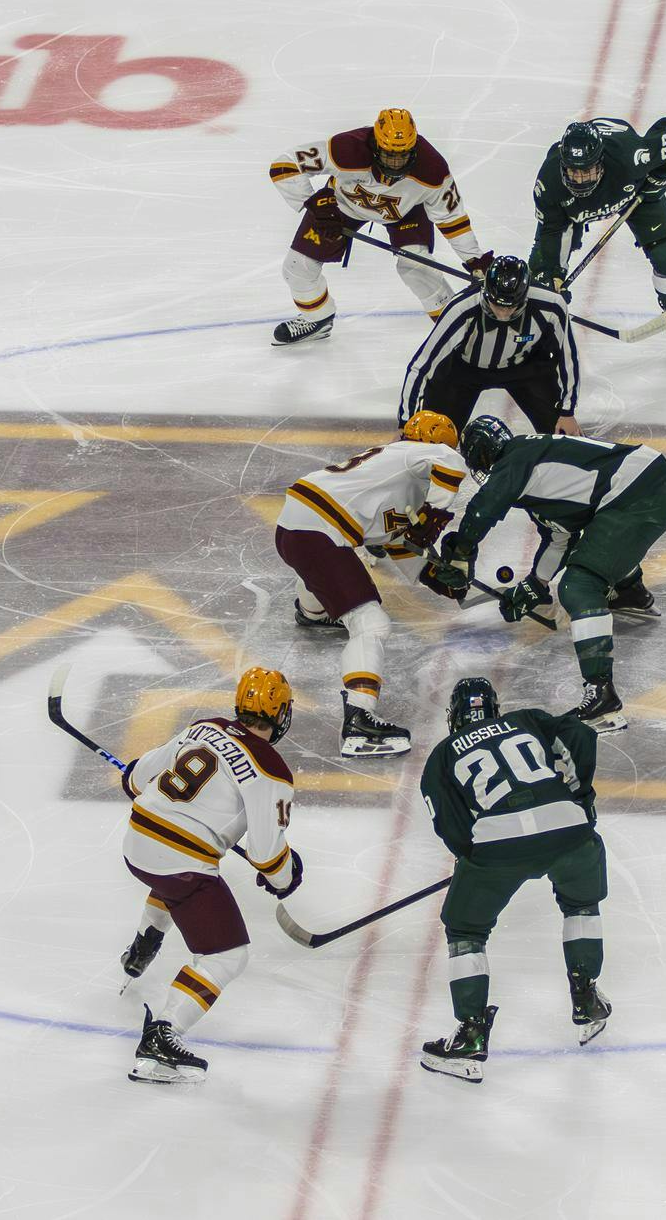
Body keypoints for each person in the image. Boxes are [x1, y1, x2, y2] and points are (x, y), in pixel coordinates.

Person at [424, 415, 666, 732]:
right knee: (599, 546)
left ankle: (603, 696)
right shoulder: (540, 463)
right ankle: (629, 591)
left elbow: (485, 507)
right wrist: (535, 584)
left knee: (578, 585)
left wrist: (462, 551)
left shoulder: (515, 458)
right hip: (645, 485)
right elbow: (561, 537)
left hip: (638, 494)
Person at [417, 676, 613, 1082]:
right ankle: (586, 995)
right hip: (568, 827)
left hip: (497, 844)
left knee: (465, 929)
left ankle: (470, 1034)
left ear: (454, 716)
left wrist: (472, 859)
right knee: (580, 903)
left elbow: (449, 824)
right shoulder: (527, 720)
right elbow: (580, 734)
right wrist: (580, 799)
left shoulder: (442, 755)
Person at [117, 666, 302, 1085]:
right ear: (281, 713)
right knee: (226, 955)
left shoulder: (204, 728)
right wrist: (285, 877)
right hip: (180, 861)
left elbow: (137, 779)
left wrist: (132, 774)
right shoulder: (273, 769)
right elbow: (267, 854)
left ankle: (146, 941)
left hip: (136, 844)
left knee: (175, 883)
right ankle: (163, 1038)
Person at [273, 411, 467, 755]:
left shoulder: (393, 476)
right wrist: (437, 515)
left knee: (329, 568)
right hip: (318, 531)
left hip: (297, 529)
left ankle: (314, 611)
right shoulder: (411, 455)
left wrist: (433, 575)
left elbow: (394, 541)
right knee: (371, 624)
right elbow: (451, 462)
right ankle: (359, 719)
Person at [268, 108, 493, 346]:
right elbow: (285, 164)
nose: (396, 163)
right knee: (297, 268)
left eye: (403, 155)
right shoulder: (347, 149)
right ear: (375, 145)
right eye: (389, 155)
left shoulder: (432, 169)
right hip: (341, 208)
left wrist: (474, 260)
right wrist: (317, 205)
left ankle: (458, 330)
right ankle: (317, 319)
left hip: (406, 213)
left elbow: (453, 219)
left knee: (416, 268)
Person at [527, 116, 666, 362]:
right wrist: (553, 274)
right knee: (543, 281)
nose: (580, 180)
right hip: (572, 212)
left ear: (600, 163)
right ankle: (532, 335)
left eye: (587, 171)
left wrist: (660, 175)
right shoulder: (549, 183)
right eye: (574, 172)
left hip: (634, 192)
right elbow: (551, 231)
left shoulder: (631, 157)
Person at [397, 255, 581, 436]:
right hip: (462, 371)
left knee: (564, 437)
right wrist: (406, 423)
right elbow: (421, 366)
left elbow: (568, 358)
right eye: (496, 305)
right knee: (431, 437)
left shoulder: (552, 305)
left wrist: (567, 412)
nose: (502, 314)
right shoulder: (461, 308)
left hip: (525, 369)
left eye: (510, 307)